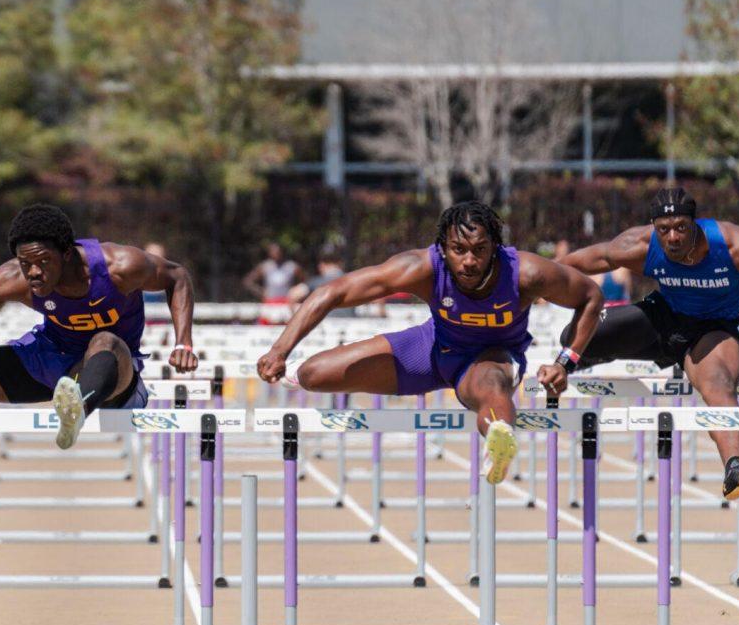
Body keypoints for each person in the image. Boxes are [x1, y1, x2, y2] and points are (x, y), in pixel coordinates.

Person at [258, 201, 604, 485]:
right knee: (314, 373)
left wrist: (565, 362)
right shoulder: (421, 268)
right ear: (442, 248)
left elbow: (590, 296)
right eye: (458, 250)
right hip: (432, 347)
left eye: (480, 251)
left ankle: (498, 440)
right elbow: (334, 291)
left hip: (490, 358)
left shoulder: (525, 273)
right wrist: (280, 350)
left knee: (490, 387)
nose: (469, 261)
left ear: (495, 248)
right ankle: (489, 421)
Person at [0, 205, 198, 449]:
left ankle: (76, 410)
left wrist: (183, 342)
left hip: (110, 371)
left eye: (43, 262)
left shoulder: (120, 267)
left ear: (67, 253)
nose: (33, 272)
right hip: (49, 358)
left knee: (105, 339)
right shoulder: (16, 278)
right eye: (25, 263)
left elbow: (177, 277)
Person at [557, 187, 739, 501]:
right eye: (664, 230)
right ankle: (588, 358)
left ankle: (734, 468)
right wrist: (532, 282)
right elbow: (582, 261)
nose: (673, 238)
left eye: (681, 228)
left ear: (696, 224)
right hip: (662, 318)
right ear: (654, 228)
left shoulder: (737, 247)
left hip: (712, 329)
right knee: (573, 336)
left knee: (718, 384)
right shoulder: (640, 246)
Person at [287, 244, 356, 318]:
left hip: (324, 325)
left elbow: (293, 295)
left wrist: (298, 318)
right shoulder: (353, 280)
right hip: (350, 326)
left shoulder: (315, 283)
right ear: (340, 263)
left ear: (321, 265)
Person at [243, 241, 304, 325]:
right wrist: (261, 292)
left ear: (282, 252)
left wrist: (296, 292)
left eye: (277, 251)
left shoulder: (292, 267)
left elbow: (305, 282)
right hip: (270, 302)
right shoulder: (265, 266)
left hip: (286, 303)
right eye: (273, 251)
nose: (275, 254)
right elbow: (248, 281)